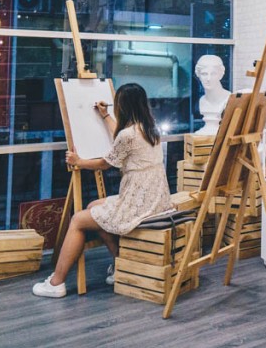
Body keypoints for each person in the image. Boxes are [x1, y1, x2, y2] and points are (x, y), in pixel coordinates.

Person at [32, 82, 172, 298]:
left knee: (78, 220)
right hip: (155, 199)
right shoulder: (150, 129)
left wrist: (78, 161)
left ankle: (56, 282)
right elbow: (121, 137)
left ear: (123, 107)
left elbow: (105, 163)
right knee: (94, 207)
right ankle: (119, 263)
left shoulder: (129, 135)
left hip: (138, 204)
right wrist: (105, 116)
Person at [193, 54, 229, 134]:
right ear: (198, 75)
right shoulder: (202, 101)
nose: (208, 79)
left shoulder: (228, 99)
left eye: (213, 74)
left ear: (220, 75)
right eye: (204, 74)